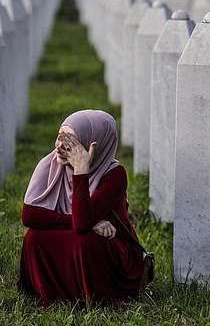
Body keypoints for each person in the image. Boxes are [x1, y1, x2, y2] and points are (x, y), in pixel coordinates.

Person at [18, 109, 146, 306]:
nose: (60, 146)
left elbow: (82, 223)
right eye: (60, 137)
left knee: (86, 242)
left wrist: (81, 170)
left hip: (112, 248)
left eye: (71, 142)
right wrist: (91, 223)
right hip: (86, 231)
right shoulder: (49, 164)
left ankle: (94, 298)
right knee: (34, 237)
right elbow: (30, 216)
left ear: (93, 145)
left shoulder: (115, 175)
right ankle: (55, 293)